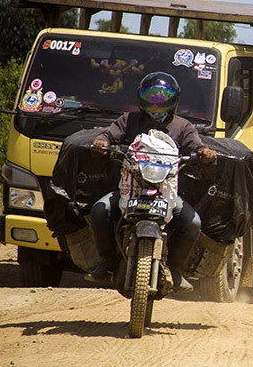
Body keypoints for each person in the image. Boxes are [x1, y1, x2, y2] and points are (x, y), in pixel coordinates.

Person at [87, 72, 217, 293]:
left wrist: (204, 152)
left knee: (193, 222)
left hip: (165, 193)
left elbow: (196, 145)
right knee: (99, 210)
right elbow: (109, 135)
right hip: (131, 189)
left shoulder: (183, 126)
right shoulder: (129, 120)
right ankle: (106, 262)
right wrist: (102, 141)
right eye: (152, 98)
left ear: (173, 100)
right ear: (141, 98)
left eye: (163, 98)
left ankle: (175, 269)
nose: (157, 104)